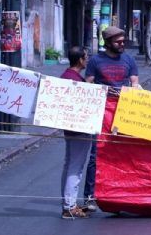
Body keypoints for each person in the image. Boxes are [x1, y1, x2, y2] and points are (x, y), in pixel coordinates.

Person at [84, 26, 139, 212]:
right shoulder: (95, 61)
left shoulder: (129, 60)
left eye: (123, 41)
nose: (122, 44)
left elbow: (135, 83)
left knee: (122, 153)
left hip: (123, 112)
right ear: (107, 43)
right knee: (95, 154)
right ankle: (90, 196)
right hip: (101, 111)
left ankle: (119, 194)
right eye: (118, 42)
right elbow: (88, 85)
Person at [60, 46, 91, 219]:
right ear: (80, 60)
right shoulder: (76, 81)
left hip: (70, 127)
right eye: (86, 57)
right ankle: (69, 206)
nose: (88, 60)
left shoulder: (66, 77)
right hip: (79, 128)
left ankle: (67, 203)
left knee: (69, 164)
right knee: (75, 167)